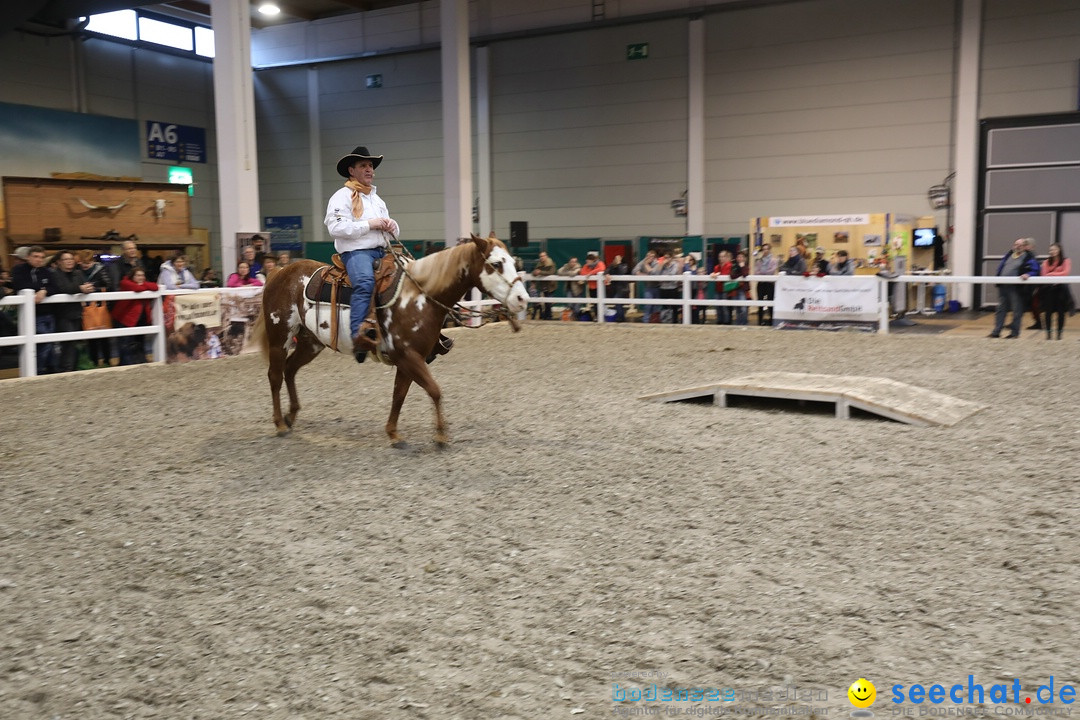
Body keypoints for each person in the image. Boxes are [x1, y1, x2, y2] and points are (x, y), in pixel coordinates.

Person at [325, 146, 398, 362]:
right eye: (363, 166)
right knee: (365, 282)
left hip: (381, 251)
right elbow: (336, 228)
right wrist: (370, 224)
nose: (369, 170)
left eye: (370, 166)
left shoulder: (377, 200)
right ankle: (358, 335)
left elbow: (393, 231)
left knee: (410, 278)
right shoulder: (341, 197)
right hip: (356, 252)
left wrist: (392, 225)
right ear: (351, 170)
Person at [11, 246, 58, 372]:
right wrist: (42, 288)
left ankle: (48, 370)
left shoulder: (46, 271)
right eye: (36, 257)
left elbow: (55, 287)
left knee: (49, 343)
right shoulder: (19, 270)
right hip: (31, 315)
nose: (39, 260)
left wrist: (44, 290)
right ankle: (38, 370)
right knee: (44, 343)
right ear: (28, 257)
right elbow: (20, 285)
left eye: (42, 257)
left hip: (48, 313)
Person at [50, 250, 95, 373]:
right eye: (65, 259)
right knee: (67, 344)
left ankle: (74, 367)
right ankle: (66, 369)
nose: (69, 261)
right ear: (59, 262)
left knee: (76, 343)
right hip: (63, 314)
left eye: (71, 258)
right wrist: (80, 288)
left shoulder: (78, 273)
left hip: (77, 313)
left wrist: (87, 288)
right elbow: (62, 288)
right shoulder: (54, 274)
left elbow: (83, 287)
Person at [989, 237, 1040, 339]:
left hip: (1017, 288)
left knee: (1017, 311)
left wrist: (1028, 274)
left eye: (1021, 245)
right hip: (1003, 286)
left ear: (1024, 247)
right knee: (1000, 309)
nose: (1018, 247)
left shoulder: (1028, 257)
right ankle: (996, 331)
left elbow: (1035, 270)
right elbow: (1001, 267)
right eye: (1016, 245)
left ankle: (1014, 333)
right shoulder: (1008, 255)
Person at [111, 267, 157, 365]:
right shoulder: (125, 283)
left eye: (142, 275)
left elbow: (155, 287)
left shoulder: (141, 283)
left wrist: (143, 285)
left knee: (140, 342)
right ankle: (125, 364)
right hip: (125, 319)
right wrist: (145, 286)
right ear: (132, 276)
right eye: (138, 275)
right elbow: (137, 288)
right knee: (125, 344)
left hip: (141, 319)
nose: (141, 277)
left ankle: (140, 361)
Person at [75, 249, 111, 367]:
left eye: (88, 263)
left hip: (100, 307)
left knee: (104, 337)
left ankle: (107, 360)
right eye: (83, 263)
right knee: (91, 338)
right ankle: (94, 361)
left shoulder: (101, 270)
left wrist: (92, 287)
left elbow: (107, 283)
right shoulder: (77, 271)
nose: (85, 265)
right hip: (84, 308)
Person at [1040, 242, 1071, 340]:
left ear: (1059, 250)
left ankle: (1059, 334)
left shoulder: (1066, 261)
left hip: (1061, 289)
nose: (1052, 252)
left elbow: (1065, 273)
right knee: (1047, 312)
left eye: (1054, 249)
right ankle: (1048, 334)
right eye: (1051, 250)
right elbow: (1044, 275)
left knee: (1061, 312)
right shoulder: (1046, 262)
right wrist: (1057, 273)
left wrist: (1051, 273)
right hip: (1049, 290)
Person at [654, 249, 682, 324]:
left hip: (673, 288)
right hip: (663, 288)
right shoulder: (660, 264)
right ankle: (664, 321)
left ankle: (674, 321)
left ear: (671, 258)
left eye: (668, 257)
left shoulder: (675, 264)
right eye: (665, 257)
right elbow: (657, 274)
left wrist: (664, 278)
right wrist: (662, 264)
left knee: (674, 307)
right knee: (664, 306)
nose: (666, 259)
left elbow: (672, 274)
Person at [754, 243, 778, 326]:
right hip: (761, 284)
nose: (765, 251)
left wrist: (762, 272)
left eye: (767, 249)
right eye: (764, 249)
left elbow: (772, 271)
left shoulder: (774, 260)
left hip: (769, 284)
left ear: (769, 250)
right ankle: (760, 321)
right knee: (760, 303)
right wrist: (763, 273)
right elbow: (756, 272)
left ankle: (772, 320)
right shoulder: (759, 260)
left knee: (770, 303)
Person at [633, 249, 660, 323]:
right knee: (648, 305)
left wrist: (646, 265)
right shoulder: (643, 262)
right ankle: (646, 321)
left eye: (651, 256)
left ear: (654, 257)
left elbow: (654, 273)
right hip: (648, 287)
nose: (649, 258)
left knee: (656, 306)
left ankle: (654, 321)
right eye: (648, 256)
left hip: (657, 287)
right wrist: (643, 274)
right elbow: (634, 271)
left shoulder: (657, 263)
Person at [579, 251, 607, 319]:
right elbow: (582, 272)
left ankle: (600, 316)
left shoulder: (600, 263)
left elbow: (602, 269)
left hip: (599, 287)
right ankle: (596, 316)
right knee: (594, 303)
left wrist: (590, 273)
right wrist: (591, 273)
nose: (587, 263)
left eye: (588, 261)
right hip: (591, 287)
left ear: (593, 260)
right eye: (587, 262)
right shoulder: (586, 266)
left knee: (600, 303)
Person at [531, 250, 557, 320]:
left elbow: (551, 272)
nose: (542, 257)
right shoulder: (539, 264)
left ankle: (549, 317)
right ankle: (546, 316)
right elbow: (534, 272)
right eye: (540, 256)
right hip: (543, 286)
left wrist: (540, 272)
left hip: (551, 286)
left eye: (543, 256)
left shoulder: (551, 264)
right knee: (545, 303)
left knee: (548, 303)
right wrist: (535, 272)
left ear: (546, 256)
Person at [605, 253, 630, 322]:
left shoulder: (624, 266)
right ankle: (622, 318)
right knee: (619, 304)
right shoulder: (611, 266)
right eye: (616, 259)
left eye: (618, 259)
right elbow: (606, 270)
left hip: (623, 288)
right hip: (615, 288)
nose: (617, 260)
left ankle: (620, 318)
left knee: (617, 302)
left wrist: (619, 264)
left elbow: (622, 272)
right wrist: (607, 274)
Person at [730, 249, 750, 325]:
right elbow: (732, 276)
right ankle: (738, 323)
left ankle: (744, 323)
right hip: (735, 289)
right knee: (737, 308)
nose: (740, 258)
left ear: (744, 258)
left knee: (744, 308)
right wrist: (739, 274)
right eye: (738, 257)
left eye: (741, 257)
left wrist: (742, 267)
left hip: (743, 290)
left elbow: (745, 275)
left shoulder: (746, 266)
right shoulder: (734, 266)